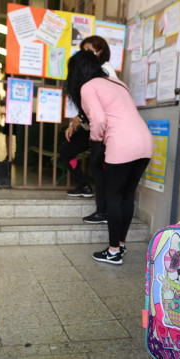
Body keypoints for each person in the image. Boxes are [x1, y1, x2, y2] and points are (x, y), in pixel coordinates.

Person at [65, 50, 153, 265]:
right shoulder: (117, 82)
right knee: (127, 195)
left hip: (122, 143)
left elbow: (99, 119)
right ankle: (120, 245)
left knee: (113, 195)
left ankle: (113, 251)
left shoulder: (88, 87)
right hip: (145, 142)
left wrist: (96, 140)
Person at [61, 35, 118, 224]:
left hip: (101, 129)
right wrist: (74, 123)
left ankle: (103, 211)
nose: (86, 54)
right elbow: (87, 108)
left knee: (99, 167)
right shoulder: (87, 75)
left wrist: (95, 139)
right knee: (66, 151)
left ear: (101, 51)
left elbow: (102, 109)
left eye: (91, 50)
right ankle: (85, 186)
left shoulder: (105, 72)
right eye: (84, 50)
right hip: (90, 126)